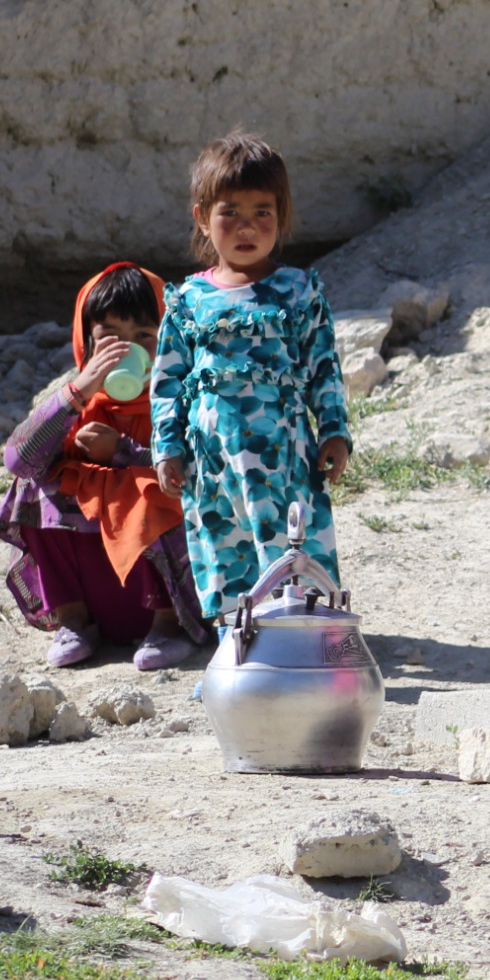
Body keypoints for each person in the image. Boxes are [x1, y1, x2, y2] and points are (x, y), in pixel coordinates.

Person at [152, 131, 355, 622]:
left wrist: (333, 430)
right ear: (202, 217)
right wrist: (168, 446)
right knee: (225, 550)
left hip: (284, 458)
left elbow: (323, 365)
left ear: (281, 217)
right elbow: (167, 380)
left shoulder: (297, 291)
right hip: (213, 461)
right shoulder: (189, 301)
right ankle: (238, 656)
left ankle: (301, 642)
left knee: (291, 542)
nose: (248, 227)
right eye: (231, 213)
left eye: (262, 212)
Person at [0, 262, 207, 669]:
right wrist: (79, 389)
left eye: (144, 337)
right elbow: (19, 460)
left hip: (174, 592)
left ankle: (169, 627)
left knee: (149, 489)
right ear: (86, 344)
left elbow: (200, 474)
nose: (127, 352)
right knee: (36, 484)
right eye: (109, 339)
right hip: (100, 590)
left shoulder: (184, 400)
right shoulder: (78, 405)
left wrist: (123, 454)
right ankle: (73, 622)